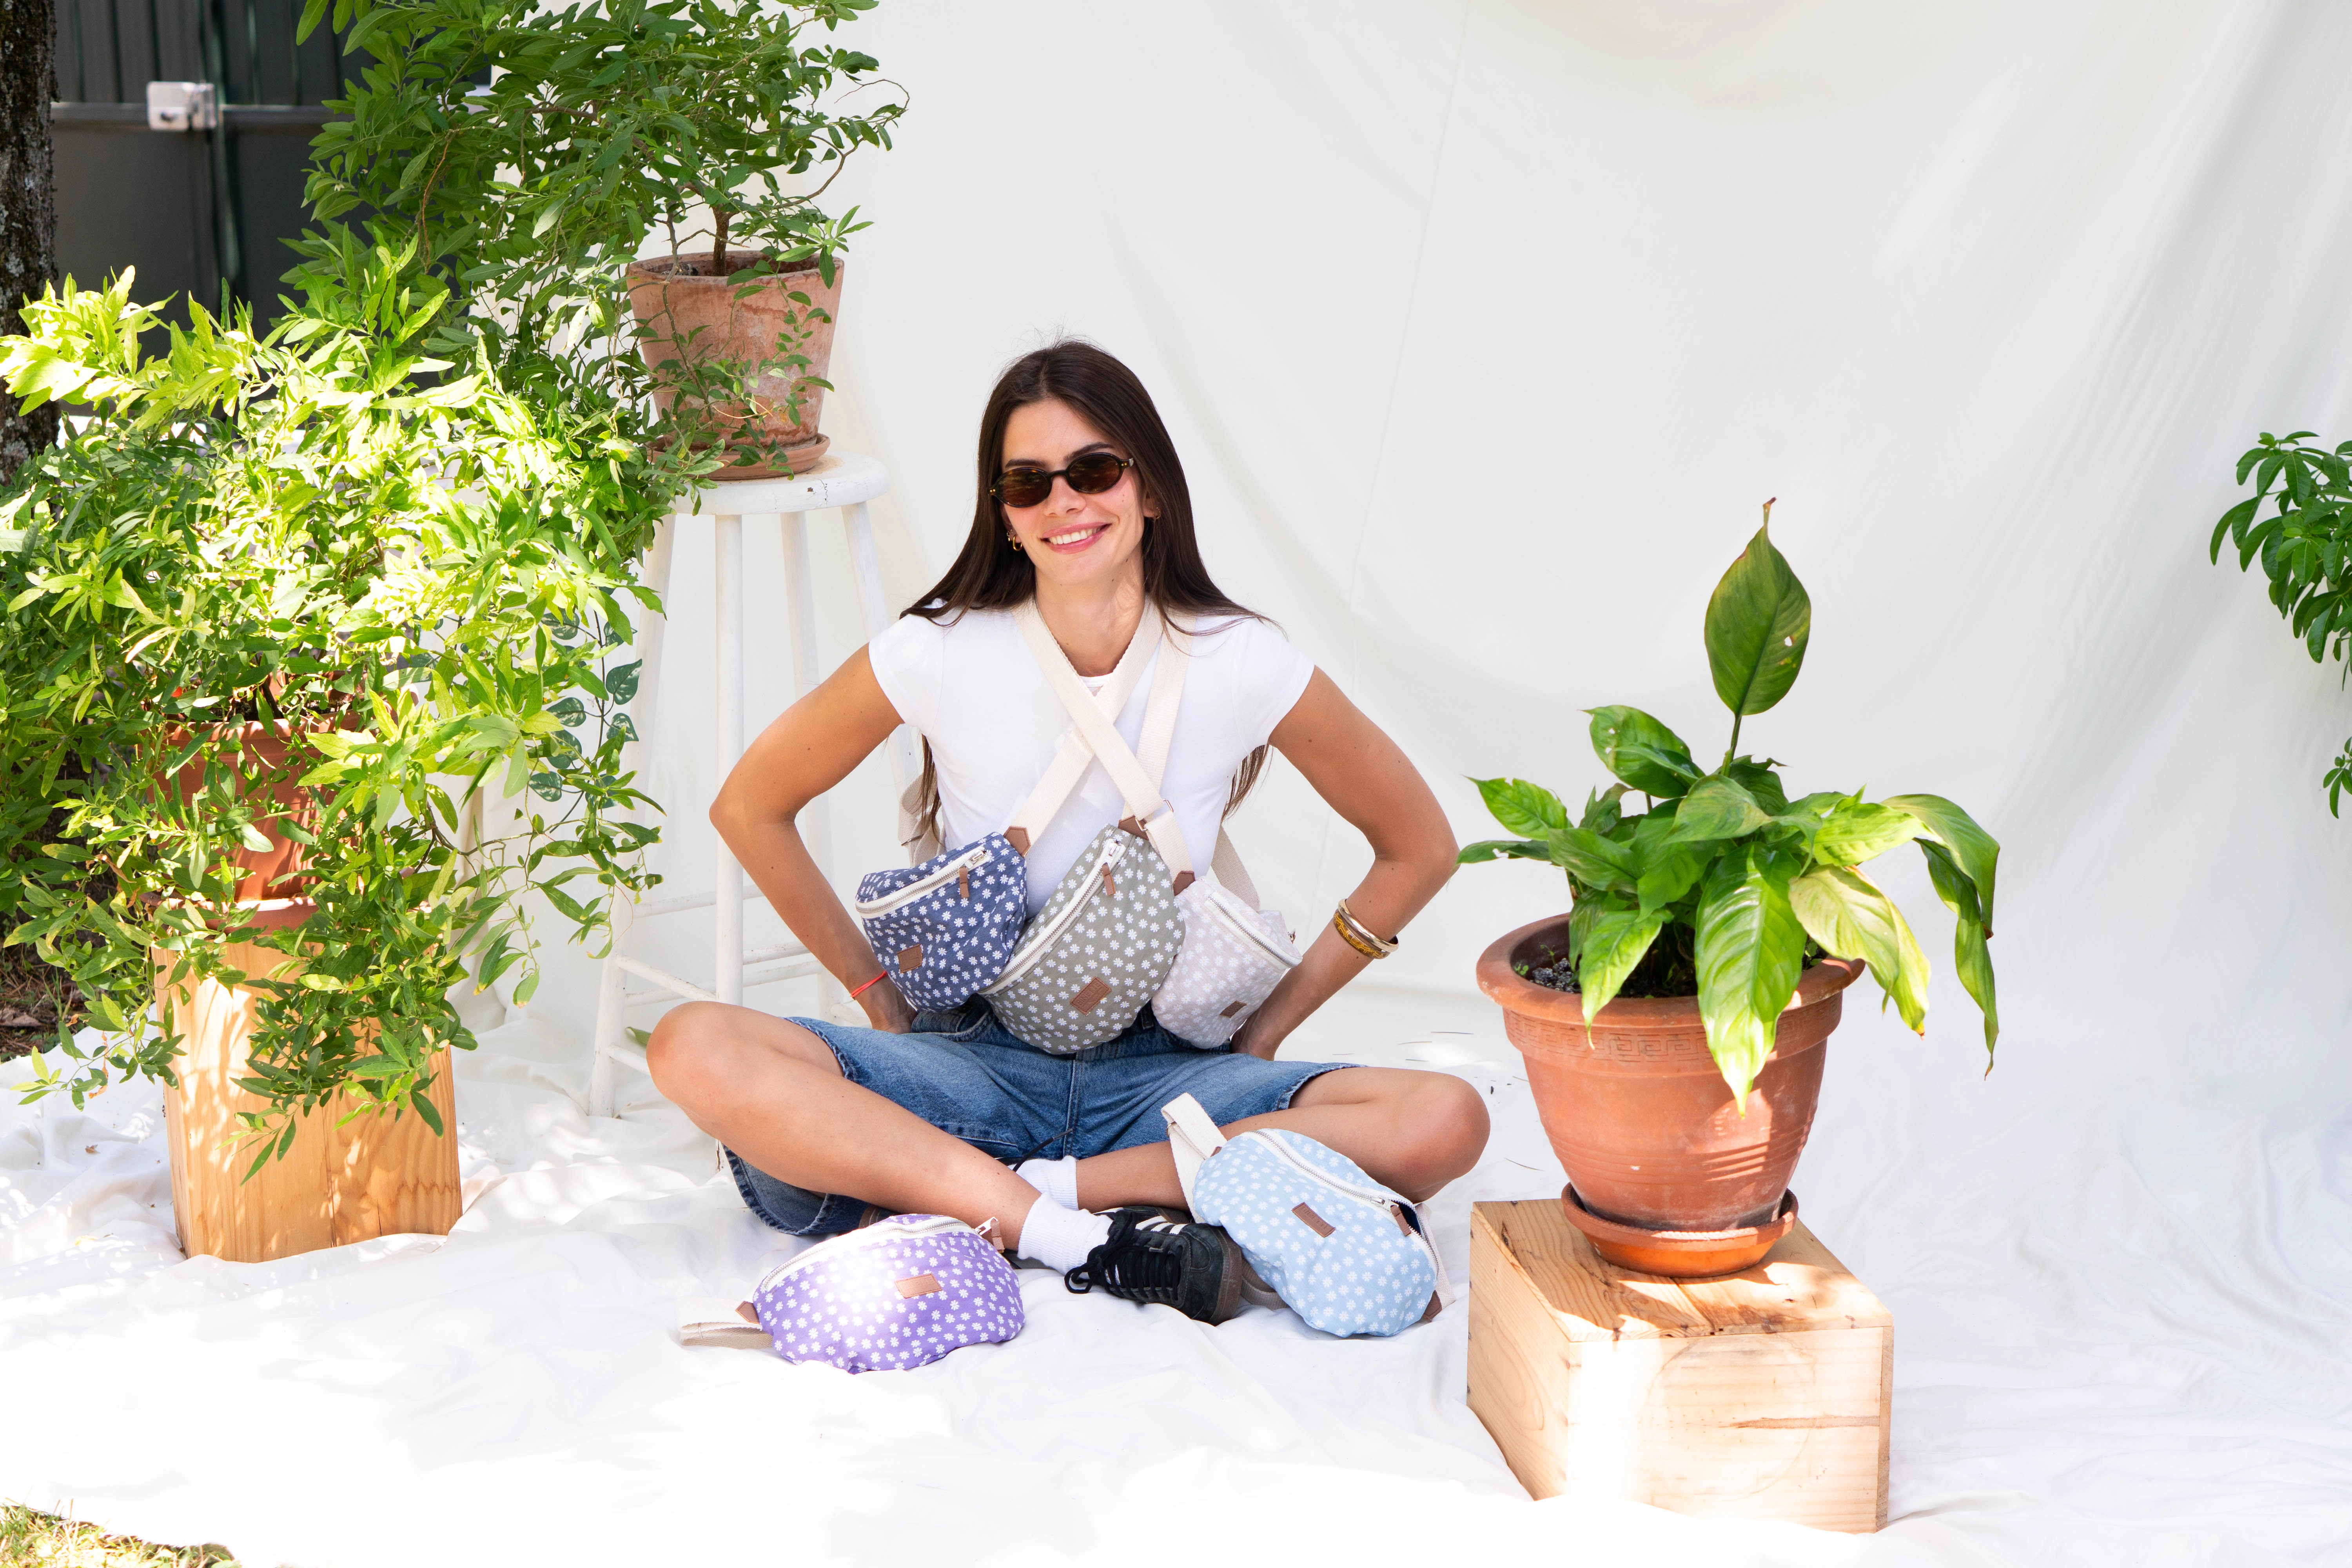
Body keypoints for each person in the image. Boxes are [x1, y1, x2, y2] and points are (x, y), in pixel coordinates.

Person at [646, 340, 1485, 1324]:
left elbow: (1420, 844)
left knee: (1446, 1117)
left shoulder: (1242, 660)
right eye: (1028, 482)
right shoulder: (938, 650)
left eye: (1093, 471)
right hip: (972, 1060)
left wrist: (1263, 1034)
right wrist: (880, 1001)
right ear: (1002, 513)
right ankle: (1083, 1235)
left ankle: (1014, 1190)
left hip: (1169, 1071)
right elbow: (750, 804)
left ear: (1151, 490)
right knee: (692, 1043)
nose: (1065, 503)